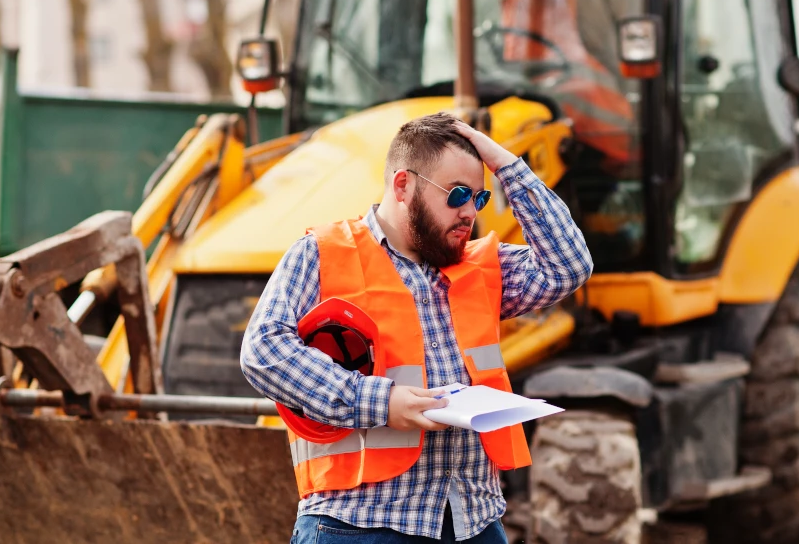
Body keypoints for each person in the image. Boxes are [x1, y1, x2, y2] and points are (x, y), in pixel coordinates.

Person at [240, 112, 593, 543]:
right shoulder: (322, 254)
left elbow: (568, 265)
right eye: (457, 194)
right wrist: (380, 402)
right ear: (403, 186)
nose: (469, 212)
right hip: (358, 524)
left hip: (473, 521)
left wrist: (506, 165)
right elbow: (263, 350)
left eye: (479, 198)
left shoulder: (479, 266)